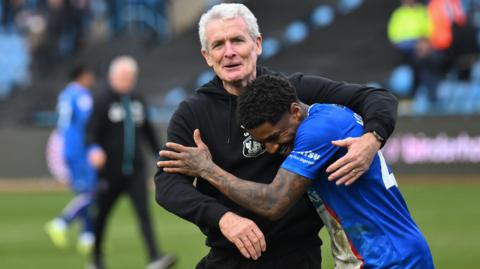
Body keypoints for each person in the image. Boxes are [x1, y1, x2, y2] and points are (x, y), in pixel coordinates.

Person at [154, 3, 398, 268]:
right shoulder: (193, 113)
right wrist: (223, 218)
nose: (230, 53)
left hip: (296, 255)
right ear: (207, 56)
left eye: (237, 40)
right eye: (218, 45)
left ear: (257, 44)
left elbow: (376, 97)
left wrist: (372, 139)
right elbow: (167, 185)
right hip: (230, 255)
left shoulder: (293, 91)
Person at [158, 74, 435, 268]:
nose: (272, 149)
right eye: (263, 142)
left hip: (390, 259)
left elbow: (273, 202)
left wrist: (207, 169)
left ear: (294, 110)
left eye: (275, 137)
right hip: (376, 256)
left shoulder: (318, 131)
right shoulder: (318, 119)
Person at [85, 55, 176, 269]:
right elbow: (90, 132)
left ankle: (155, 258)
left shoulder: (137, 100)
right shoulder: (102, 101)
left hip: (135, 170)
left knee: (144, 214)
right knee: (102, 215)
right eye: (122, 76)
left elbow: (148, 131)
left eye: (130, 76)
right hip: (109, 171)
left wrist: (160, 155)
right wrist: (93, 149)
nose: (127, 80)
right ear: (111, 76)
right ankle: (96, 260)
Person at [45, 65, 97, 255]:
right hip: (80, 148)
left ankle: (87, 236)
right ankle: (61, 222)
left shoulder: (65, 94)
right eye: (90, 75)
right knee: (91, 193)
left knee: (83, 192)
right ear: (82, 76)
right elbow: (87, 121)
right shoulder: (81, 95)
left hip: (67, 145)